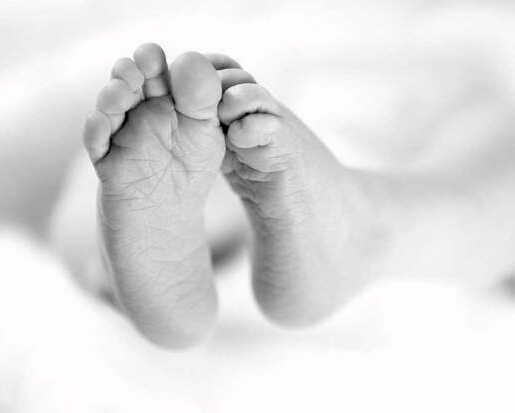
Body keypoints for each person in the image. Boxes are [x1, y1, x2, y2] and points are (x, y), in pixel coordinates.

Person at [83, 43, 515, 349]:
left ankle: (106, 263)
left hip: (370, 111)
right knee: (145, 135)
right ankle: (365, 224)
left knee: (125, 141)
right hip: (395, 111)